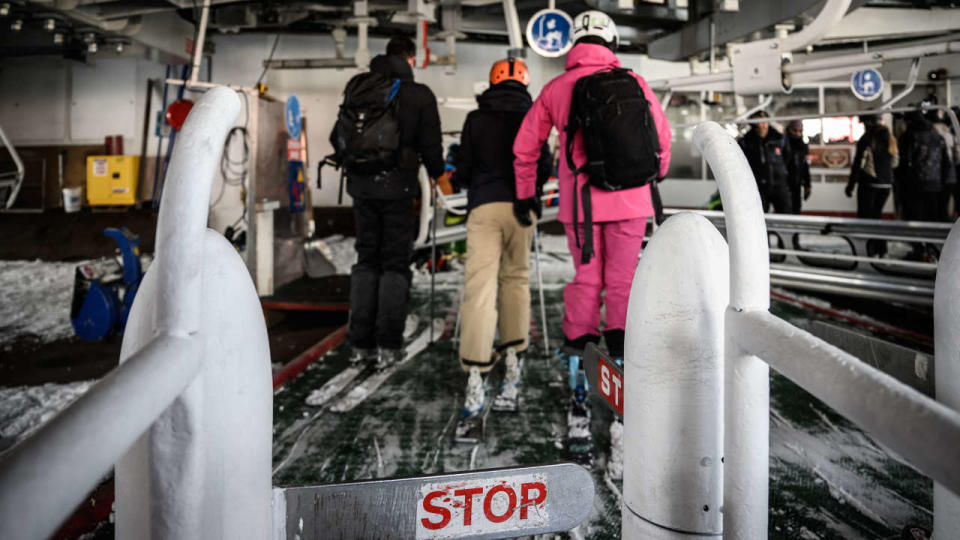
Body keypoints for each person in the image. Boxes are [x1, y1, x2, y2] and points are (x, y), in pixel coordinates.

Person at [513, 10, 671, 473]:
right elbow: (660, 141)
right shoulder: (634, 81)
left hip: (581, 204)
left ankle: (580, 386)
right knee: (623, 285)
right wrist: (647, 180)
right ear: (612, 41)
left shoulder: (556, 90)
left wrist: (527, 195)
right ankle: (623, 379)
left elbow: (525, 148)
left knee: (587, 282)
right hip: (633, 202)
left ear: (574, 43)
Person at [330, 36, 444, 368]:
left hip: (362, 188)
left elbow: (336, 138)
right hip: (399, 189)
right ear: (411, 58)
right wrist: (442, 182)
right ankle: (389, 345)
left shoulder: (358, 88)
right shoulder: (419, 95)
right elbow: (432, 149)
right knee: (394, 264)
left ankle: (360, 344)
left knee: (367, 260)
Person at [453, 58, 552, 430]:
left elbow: (462, 171)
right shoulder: (534, 116)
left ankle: (476, 376)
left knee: (479, 287)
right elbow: (544, 165)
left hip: (484, 207)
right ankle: (513, 355)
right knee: (516, 280)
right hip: (522, 210)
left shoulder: (476, 120)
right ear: (524, 82)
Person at [845, 115, 898, 256]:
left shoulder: (867, 139)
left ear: (868, 124)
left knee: (866, 218)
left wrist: (851, 185)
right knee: (877, 216)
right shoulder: (890, 138)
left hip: (870, 184)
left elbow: (858, 163)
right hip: (886, 185)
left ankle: (868, 250)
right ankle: (882, 250)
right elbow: (895, 162)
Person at [897, 110, 955, 223]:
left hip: (914, 185)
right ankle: (930, 240)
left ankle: (916, 241)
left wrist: (902, 182)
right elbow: (946, 162)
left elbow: (904, 162)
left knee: (914, 219)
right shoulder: (937, 135)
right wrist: (942, 181)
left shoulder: (908, 136)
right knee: (931, 218)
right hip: (935, 184)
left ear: (909, 121)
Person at [738, 111, 793, 213]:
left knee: (786, 214)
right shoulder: (745, 141)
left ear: (768, 122)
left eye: (763, 121)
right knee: (758, 216)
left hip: (779, 184)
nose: (760, 125)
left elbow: (788, 159)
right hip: (757, 186)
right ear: (752, 123)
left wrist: (781, 174)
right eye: (757, 122)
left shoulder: (779, 138)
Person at [784, 120, 812, 214]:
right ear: (789, 130)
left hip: (797, 184)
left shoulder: (803, 146)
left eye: (800, 131)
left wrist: (807, 185)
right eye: (795, 130)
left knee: (796, 210)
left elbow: (804, 166)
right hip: (785, 184)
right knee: (785, 211)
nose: (797, 133)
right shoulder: (782, 144)